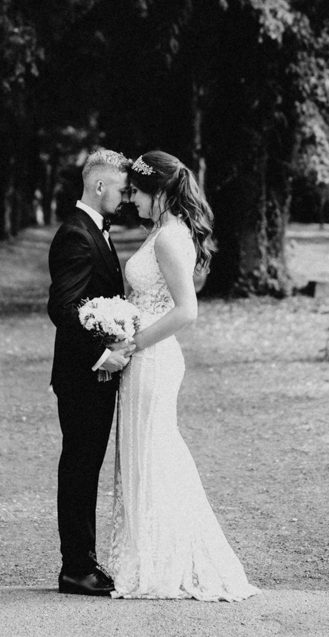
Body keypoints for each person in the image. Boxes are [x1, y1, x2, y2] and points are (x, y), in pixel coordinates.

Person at [107, 151, 258, 601]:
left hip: (153, 358)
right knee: (144, 452)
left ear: (160, 192)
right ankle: (150, 555)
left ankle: (168, 562)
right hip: (144, 355)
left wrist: (134, 342)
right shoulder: (161, 231)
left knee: (155, 451)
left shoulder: (170, 238)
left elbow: (186, 310)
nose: (131, 200)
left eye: (137, 192)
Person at [46, 149, 135, 596]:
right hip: (83, 375)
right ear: (100, 186)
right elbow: (63, 308)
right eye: (122, 189)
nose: (126, 197)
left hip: (91, 376)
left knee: (86, 466)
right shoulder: (76, 235)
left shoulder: (94, 230)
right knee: (80, 468)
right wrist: (102, 355)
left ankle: (83, 562)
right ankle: (76, 567)